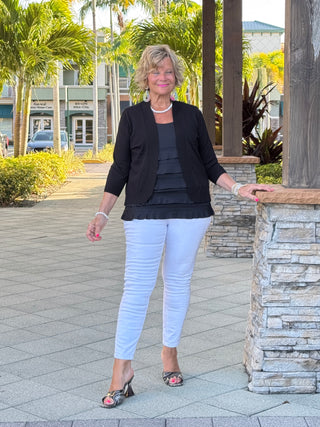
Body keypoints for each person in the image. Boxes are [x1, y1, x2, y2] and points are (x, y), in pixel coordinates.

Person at [86, 44, 273, 409]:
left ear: (175, 78)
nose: (162, 78)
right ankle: (120, 370)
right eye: (156, 72)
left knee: (177, 284)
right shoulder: (132, 117)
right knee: (136, 290)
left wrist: (238, 188)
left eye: (168, 72)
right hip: (143, 213)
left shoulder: (191, 116)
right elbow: (120, 168)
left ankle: (169, 354)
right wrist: (102, 212)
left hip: (190, 211)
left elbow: (209, 164)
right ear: (146, 76)